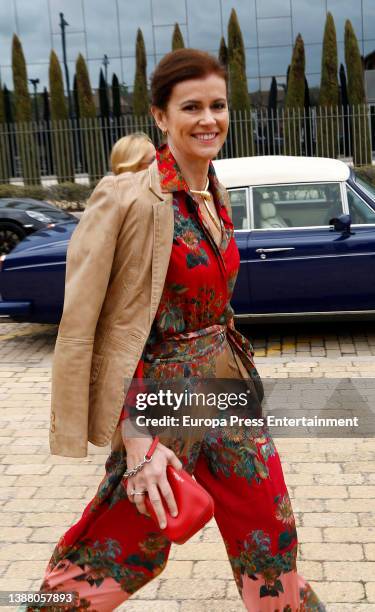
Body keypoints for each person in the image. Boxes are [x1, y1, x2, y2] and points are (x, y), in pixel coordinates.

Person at [24, 49, 326, 612]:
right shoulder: (128, 198)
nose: (208, 119)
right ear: (160, 117)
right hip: (162, 405)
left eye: (218, 105)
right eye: (191, 107)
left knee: (270, 533)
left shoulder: (216, 192)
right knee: (119, 551)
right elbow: (101, 323)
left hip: (228, 392)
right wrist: (138, 442)